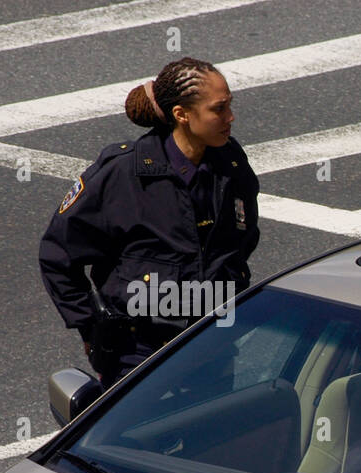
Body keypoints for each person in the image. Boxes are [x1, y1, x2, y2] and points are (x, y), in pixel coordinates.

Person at [40, 57, 259, 389]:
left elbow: (243, 237)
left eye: (230, 106)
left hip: (212, 346)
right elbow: (58, 255)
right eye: (219, 109)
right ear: (182, 115)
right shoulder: (122, 173)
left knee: (211, 438)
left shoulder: (230, 163)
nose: (230, 117)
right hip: (139, 356)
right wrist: (89, 326)